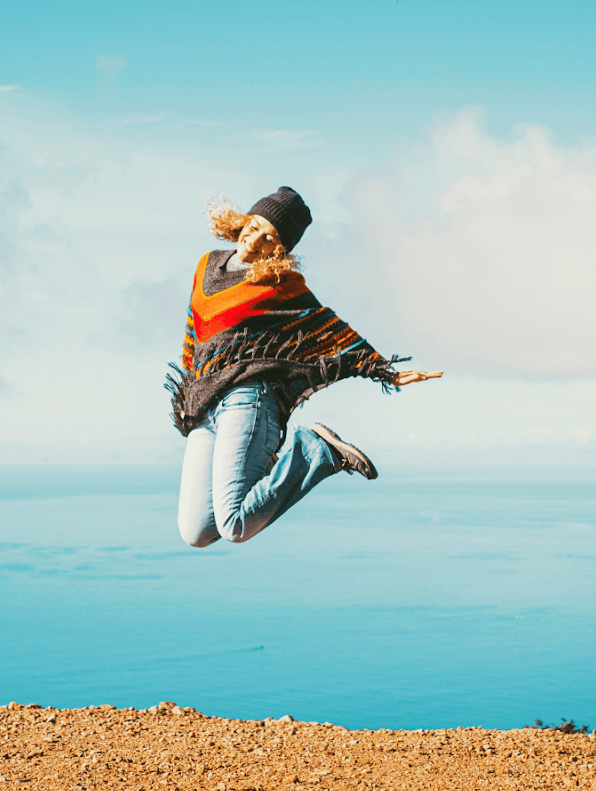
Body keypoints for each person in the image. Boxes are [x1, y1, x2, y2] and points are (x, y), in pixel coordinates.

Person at [168, 186, 441, 547]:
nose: (256, 238)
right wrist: (188, 394)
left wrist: (384, 369)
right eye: (255, 225)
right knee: (196, 532)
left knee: (234, 525)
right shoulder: (207, 265)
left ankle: (314, 449)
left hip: (248, 400)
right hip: (205, 404)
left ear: (279, 249)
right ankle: (285, 456)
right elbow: (195, 330)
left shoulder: (278, 284)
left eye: (270, 238)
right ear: (243, 220)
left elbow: (326, 326)